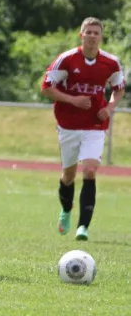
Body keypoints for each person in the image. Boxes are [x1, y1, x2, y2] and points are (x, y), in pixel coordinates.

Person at [41, 17, 125, 241]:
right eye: (88, 32)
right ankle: (66, 210)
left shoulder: (111, 62)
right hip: (68, 124)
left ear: (101, 36)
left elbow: (118, 89)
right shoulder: (67, 59)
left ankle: (83, 227)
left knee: (89, 170)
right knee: (68, 175)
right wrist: (73, 100)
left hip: (95, 124)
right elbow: (47, 87)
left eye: (96, 33)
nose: (92, 36)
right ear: (81, 35)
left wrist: (109, 107)